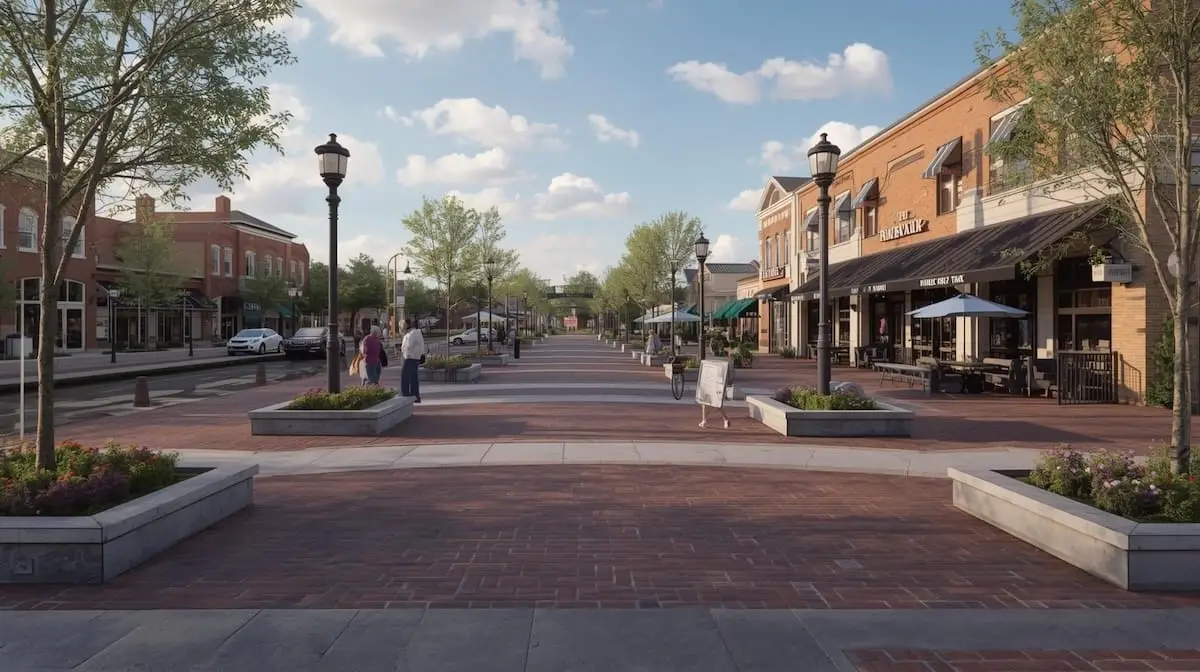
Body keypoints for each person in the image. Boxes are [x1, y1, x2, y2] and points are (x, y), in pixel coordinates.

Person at [400, 317, 424, 403]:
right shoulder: (410, 333)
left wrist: (404, 349)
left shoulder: (413, 333)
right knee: (413, 377)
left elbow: (409, 345)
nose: (401, 327)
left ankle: (405, 393)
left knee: (405, 376)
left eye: (402, 325)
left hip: (411, 357)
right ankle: (415, 395)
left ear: (406, 325)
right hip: (411, 357)